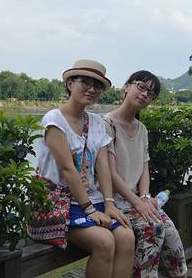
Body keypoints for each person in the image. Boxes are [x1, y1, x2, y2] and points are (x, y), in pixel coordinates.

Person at [34, 59, 135, 278]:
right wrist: (90, 210)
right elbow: (67, 169)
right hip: (59, 204)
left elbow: (103, 166)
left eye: (97, 85)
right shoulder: (54, 120)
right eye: (85, 82)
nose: (91, 89)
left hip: (92, 200)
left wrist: (109, 203)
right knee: (105, 241)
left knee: (127, 236)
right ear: (70, 83)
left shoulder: (96, 122)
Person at [104, 71, 188, 278]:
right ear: (126, 86)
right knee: (153, 230)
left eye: (151, 93)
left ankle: (181, 275)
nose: (144, 95)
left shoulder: (141, 129)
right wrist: (138, 202)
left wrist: (144, 197)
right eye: (141, 87)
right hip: (115, 201)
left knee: (171, 232)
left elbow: (144, 167)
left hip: (136, 200)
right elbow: (110, 172)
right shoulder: (107, 124)